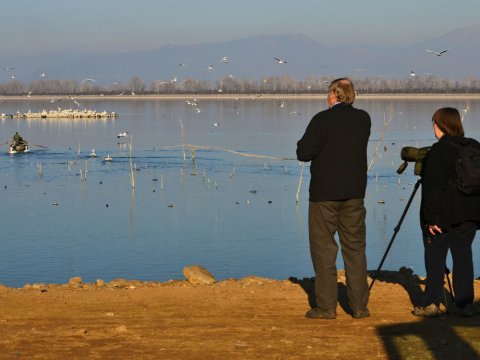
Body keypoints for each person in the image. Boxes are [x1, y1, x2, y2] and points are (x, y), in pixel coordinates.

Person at [296, 77, 371, 319]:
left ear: (333, 95)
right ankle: (359, 306)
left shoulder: (321, 119)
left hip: (323, 195)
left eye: (328, 93)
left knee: (323, 251)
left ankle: (327, 307)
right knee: (355, 250)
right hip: (354, 194)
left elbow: (304, 152)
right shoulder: (363, 119)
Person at [413, 107, 480, 318]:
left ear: (441, 126)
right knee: (463, 256)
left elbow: (432, 188)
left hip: (443, 216)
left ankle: (432, 302)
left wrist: (430, 219)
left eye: (434, 123)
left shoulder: (439, 150)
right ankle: (464, 305)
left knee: (435, 258)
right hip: (470, 214)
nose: (433, 128)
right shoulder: (474, 146)